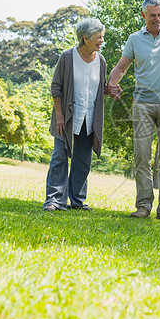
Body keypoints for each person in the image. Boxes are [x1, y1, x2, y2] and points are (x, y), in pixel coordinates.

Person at [107, 0, 160, 223]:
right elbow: (121, 67)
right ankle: (143, 205)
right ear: (143, 16)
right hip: (142, 104)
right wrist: (111, 85)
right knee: (141, 155)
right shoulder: (134, 39)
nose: (158, 19)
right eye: (153, 15)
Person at [43, 18, 119, 212]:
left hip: (89, 117)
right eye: (98, 37)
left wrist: (110, 90)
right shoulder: (67, 57)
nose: (102, 41)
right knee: (59, 157)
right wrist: (59, 115)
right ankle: (54, 200)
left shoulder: (101, 61)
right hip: (67, 117)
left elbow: (97, 89)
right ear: (85, 38)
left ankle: (77, 200)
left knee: (83, 160)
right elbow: (56, 87)